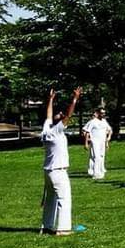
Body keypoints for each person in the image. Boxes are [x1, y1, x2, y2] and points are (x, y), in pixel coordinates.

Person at [40, 87, 82, 236]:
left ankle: (47, 226)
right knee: (64, 198)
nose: (62, 115)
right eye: (61, 115)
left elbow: (49, 115)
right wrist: (75, 99)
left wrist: (51, 99)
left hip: (48, 171)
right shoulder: (56, 131)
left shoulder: (46, 130)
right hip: (58, 170)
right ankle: (63, 229)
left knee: (50, 200)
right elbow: (69, 115)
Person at [82, 108, 112, 180]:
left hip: (102, 142)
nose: (103, 114)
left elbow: (109, 129)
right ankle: (95, 173)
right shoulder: (93, 122)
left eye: (104, 113)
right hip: (95, 141)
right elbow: (87, 132)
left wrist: (108, 139)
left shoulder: (104, 121)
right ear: (98, 113)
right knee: (96, 157)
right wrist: (86, 143)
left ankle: (100, 172)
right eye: (102, 113)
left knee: (101, 156)